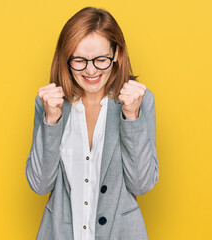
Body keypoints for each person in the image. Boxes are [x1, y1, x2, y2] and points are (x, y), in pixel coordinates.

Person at [25, 6, 159, 240]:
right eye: (79, 60)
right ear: (66, 58)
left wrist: (132, 117)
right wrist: (51, 120)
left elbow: (142, 184)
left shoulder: (140, 101)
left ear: (116, 54)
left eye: (100, 59)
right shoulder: (48, 104)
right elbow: (39, 184)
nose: (90, 70)